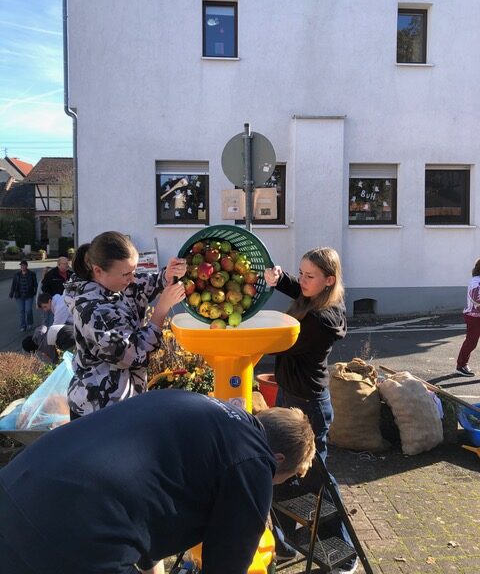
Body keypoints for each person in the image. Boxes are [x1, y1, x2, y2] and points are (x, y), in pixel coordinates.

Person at [0, 389, 316, 574]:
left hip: (17, 485)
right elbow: (227, 566)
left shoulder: (198, 406)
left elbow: (147, 480)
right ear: (277, 460)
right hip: (77, 533)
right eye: (279, 481)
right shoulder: (254, 461)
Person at [265, 247, 358, 574]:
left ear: (329, 280)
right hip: (289, 396)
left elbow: (279, 342)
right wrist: (282, 281)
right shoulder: (316, 299)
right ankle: (284, 544)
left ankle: (344, 555)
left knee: (314, 482)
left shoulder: (322, 319)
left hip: (309, 407)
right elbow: (301, 291)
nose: (302, 280)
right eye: (300, 273)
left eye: (309, 276)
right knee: (279, 474)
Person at [63, 231, 186, 419]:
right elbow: (131, 354)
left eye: (135, 270)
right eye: (126, 274)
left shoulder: (115, 283)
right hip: (100, 410)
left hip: (125, 403)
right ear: (97, 271)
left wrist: (166, 276)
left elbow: (143, 285)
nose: (132, 278)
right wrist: (160, 311)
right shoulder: (92, 310)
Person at [455, 258, 480, 377]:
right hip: (475, 317)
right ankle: (461, 366)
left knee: (471, 342)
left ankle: (462, 365)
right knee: (471, 342)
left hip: (475, 316)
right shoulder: (476, 282)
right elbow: (476, 298)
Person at [8, 260, 38, 332]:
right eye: (21, 265)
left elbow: (35, 285)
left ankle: (30, 323)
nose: (22, 267)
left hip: (29, 295)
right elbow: (14, 285)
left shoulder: (32, 274)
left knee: (28, 310)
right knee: (21, 311)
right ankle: (23, 326)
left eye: (23, 265)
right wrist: (11, 293)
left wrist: (36, 293)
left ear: (26, 266)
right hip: (19, 296)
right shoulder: (17, 275)